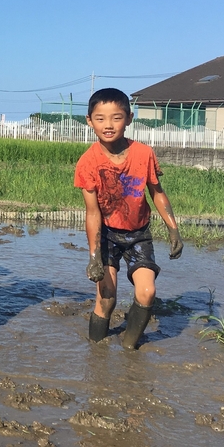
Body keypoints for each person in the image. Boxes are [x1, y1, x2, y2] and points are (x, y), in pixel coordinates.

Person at [74, 87, 183, 349]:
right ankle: (96, 351)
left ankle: (130, 349)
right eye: (100, 118)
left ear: (129, 118)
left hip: (138, 234)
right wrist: (94, 257)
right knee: (106, 298)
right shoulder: (88, 162)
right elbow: (92, 213)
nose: (108, 125)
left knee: (147, 292)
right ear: (89, 121)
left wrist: (173, 229)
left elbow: (157, 192)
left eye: (116, 117)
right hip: (107, 235)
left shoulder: (144, 154)